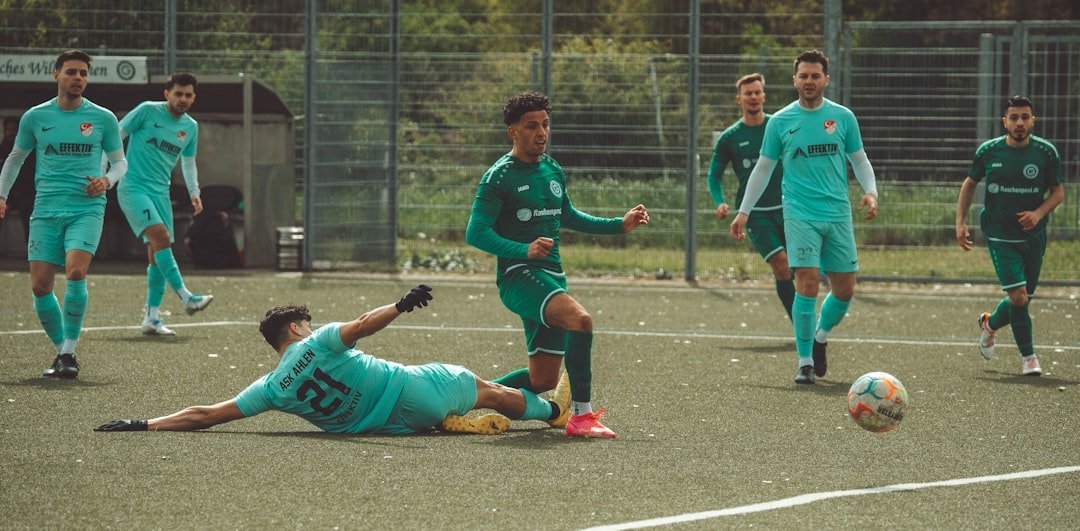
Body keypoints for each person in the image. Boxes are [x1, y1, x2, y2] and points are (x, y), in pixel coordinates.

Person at [94, 285, 571, 435]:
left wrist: (144, 423)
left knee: (477, 392)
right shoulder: (318, 341)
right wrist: (401, 305)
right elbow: (364, 324)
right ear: (297, 329)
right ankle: (553, 413)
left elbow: (207, 415)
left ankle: (458, 418)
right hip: (411, 389)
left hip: (387, 427)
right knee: (487, 388)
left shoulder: (272, 387)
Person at [465, 91, 650, 438]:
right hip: (519, 277)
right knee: (581, 320)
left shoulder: (552, 169)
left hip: (551, 277)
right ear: (513, 132)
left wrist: (618, 225)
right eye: (532, 126)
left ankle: (463, 399)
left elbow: (568, 215)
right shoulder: (498, 177)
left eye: (546, 125)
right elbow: (475, 233)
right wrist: (523, 249)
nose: (541, 133)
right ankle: (581, 417)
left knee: (543, 380)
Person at [729, 50, 878, 385]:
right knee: (807, 283)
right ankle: (805, 361)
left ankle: (820, 336)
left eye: (815, 76)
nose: (809, 81)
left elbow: (860, 159)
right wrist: (743, 212)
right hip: (799, 214)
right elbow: (764, 168)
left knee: (844, 291)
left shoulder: (843, 117)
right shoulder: (780, 122)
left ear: (826, 79)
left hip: (838, 214)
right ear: (794, 80)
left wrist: (871, 192)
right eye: (803, 76)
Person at [0, 50, 126, 379]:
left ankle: (69, 350)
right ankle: (63, 352)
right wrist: (1, 194)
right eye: (71, 72)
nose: (78, 78)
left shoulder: (103, 118)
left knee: (75, 271)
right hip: (45, 209)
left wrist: (106, 180)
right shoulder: (35, 117)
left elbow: (120, 162)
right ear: (56, 75)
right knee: (41, 287)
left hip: (86, 208)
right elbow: (15, 159)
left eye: (83, 73)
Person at [955, 96, 1064, 376]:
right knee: (1018, 298)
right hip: (1000, 234)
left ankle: (989, 324)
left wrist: (1038, 213)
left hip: (1034, 236)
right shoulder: (989, 151)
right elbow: (969, 184)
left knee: (1023, 296)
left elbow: (1058, 192)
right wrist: (960, 222)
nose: (1019, 123)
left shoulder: (1046, 152)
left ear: (1033, 121)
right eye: (1013, 117)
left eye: (1024, 117)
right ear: (1004, 121)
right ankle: (1029, 358)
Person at [115, 72, 213, 336]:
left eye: (188, 95)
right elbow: (117, 133)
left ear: (194, 97)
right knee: (162, 236)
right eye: (178, 93)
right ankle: (186, 297)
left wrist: (195, 192)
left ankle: (152, 317)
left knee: (159, 252)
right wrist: (107, 172)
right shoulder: (147, 111)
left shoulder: (190, 127)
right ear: (166, 93)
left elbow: (189, 162)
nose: (183, 99)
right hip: (133, 186)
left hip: (160, 192)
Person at [707, 73, 794, 320]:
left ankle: (805, 318)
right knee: (781, 263)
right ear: (739, 99)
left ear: (764, 96)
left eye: (757, 92)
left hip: (790, 207)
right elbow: (714, 176)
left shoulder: (779, 127)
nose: (753, 97)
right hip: (755, 214)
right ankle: (801, 324)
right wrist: (719, 201)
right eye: (748, 93)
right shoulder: (730, 138)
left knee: (800, 269)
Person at [0, 116, 35, 247]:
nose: (10, 133)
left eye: (13, 129)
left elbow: (27, 176)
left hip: (24, 194)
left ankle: (31, 247)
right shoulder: (2, 149)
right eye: (7, 129)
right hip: (5, 194)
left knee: (28, 208)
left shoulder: (29, 151)